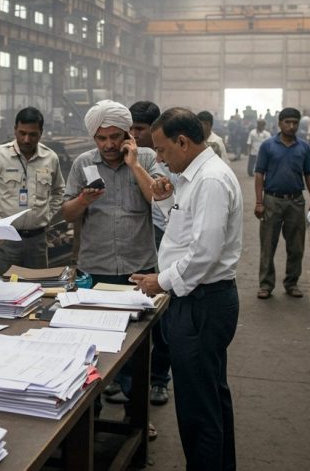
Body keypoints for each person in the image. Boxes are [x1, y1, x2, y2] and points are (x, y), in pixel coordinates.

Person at [132, 107, 242, 471]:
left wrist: (159, 281)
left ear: (183, 141)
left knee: (198, 410)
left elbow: (204, 253)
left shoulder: (209, 180)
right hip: (199, 300)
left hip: (201, 303)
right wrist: (164, 199)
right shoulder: (192, 179)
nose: (159, 158)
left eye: (162, 151)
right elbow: (183, 231)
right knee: (211, 396)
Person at [63, 99, 161, 438]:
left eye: (115, 137)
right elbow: (67, 214)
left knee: (136, 353)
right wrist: (83, 201)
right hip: (96, 269)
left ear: (128, 135)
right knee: (92, 347)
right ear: (93, 137)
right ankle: (88, 415)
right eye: (101, 138)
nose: (108, 145)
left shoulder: (147, 159)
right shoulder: (82, 164)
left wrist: (134, 165)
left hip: (138, 270)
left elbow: (160, 206)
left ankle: (136, 416)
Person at [0, 107, 64, 279]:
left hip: (37, 241)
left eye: (33, 134)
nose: (26, 139)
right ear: (15, 130)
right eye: (22, 133)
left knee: (37, 288)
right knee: (4, 291)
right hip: (7, 240)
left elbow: (59, 190)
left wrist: (48, 214)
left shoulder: (50, 158)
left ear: (41, 133)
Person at [125, 100, 172, 407]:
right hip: (139, 239)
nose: (133, 135)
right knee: (134, 311)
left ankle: (157, 379)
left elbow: (158, 194)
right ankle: (126, 378)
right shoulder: (127, 157)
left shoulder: (166, 160)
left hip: (166, 236)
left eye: (139, 130)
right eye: (130, 129)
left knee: (164, 314)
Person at [254, 107, 310, 299]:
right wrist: (259, 202)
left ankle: (292, 283)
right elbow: (259, 174)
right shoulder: (267, 146)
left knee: (296, 246)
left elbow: (309, 175)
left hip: (295, 202)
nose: (291, 126)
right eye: (287, 122)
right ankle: (266, 285)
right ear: (279, 123)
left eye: (295, 123)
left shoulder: (304, 148)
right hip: (272, 200)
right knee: (268, 245)